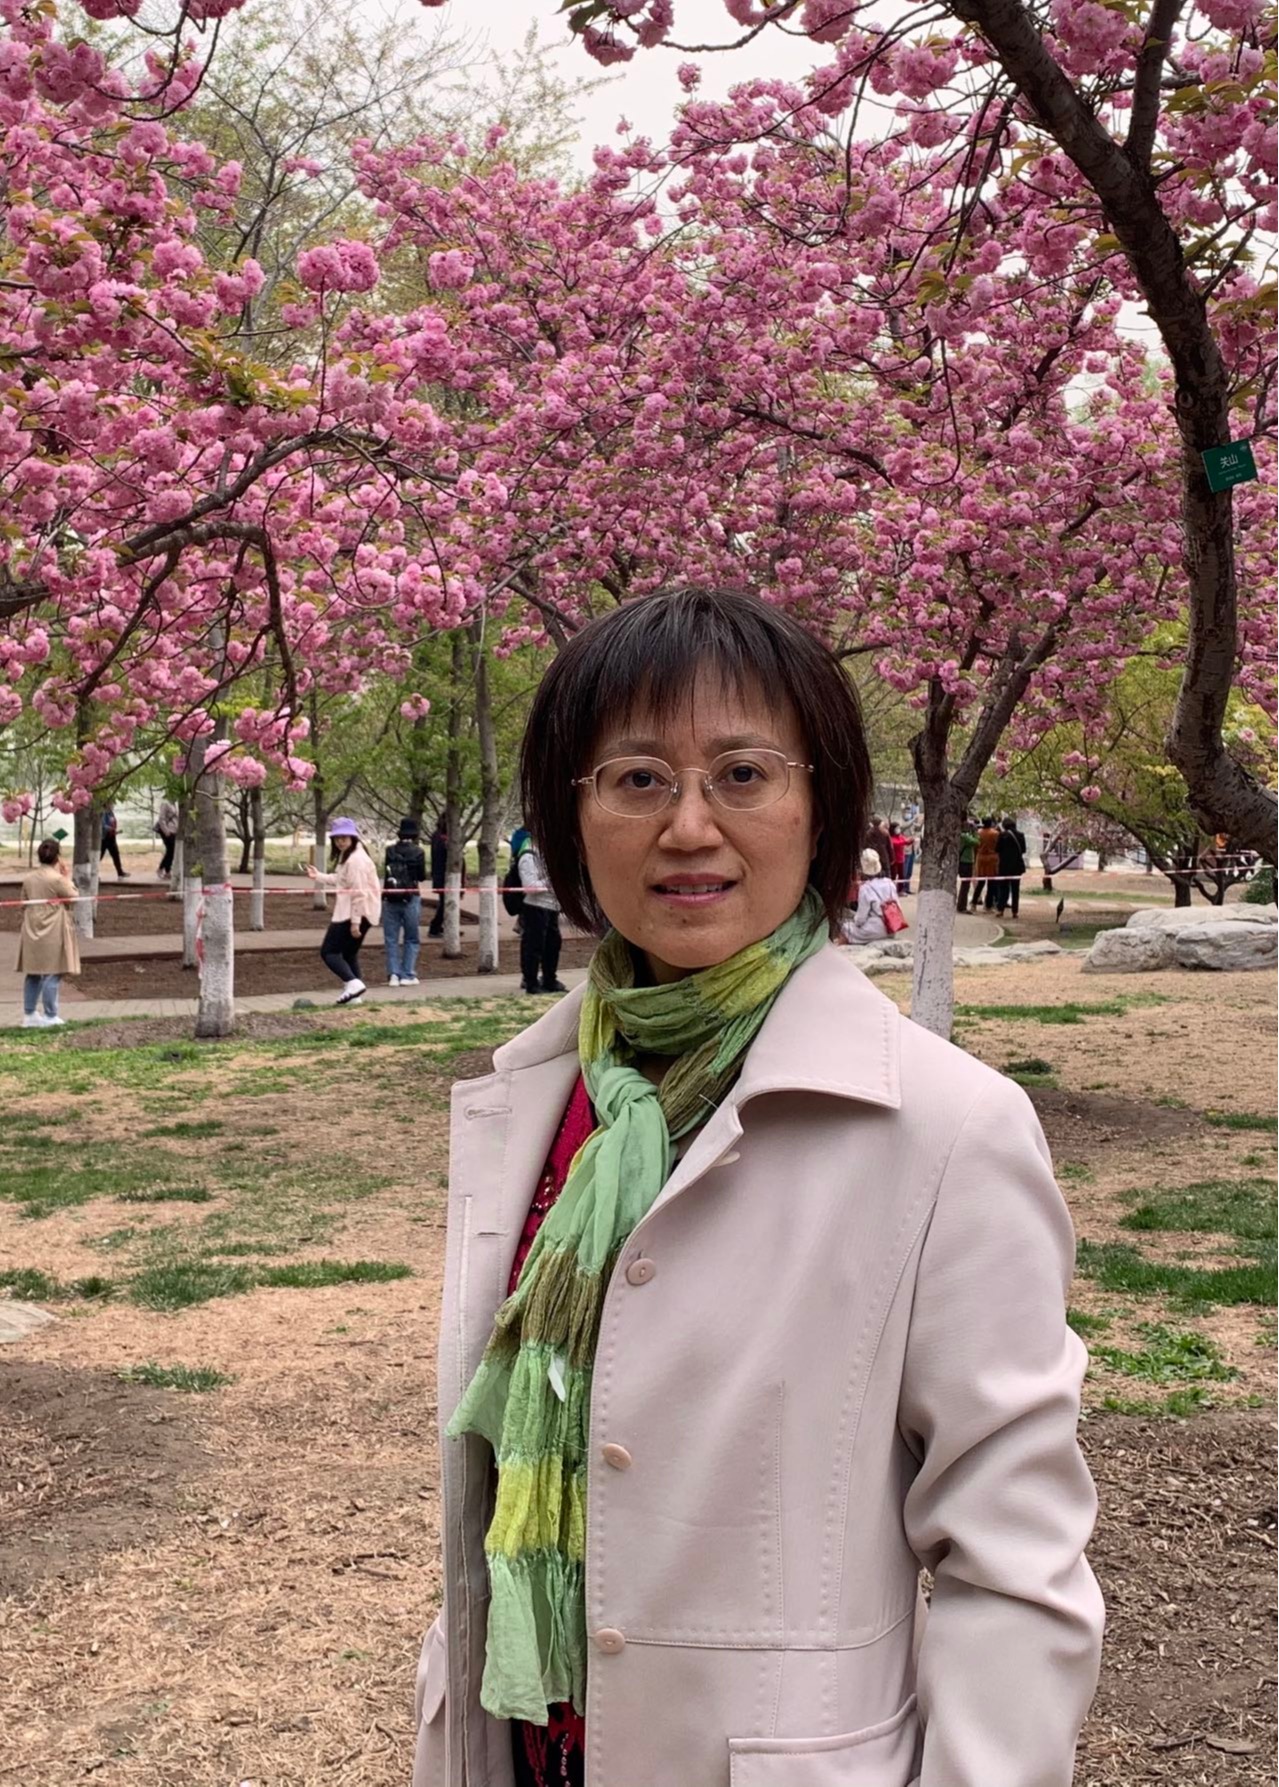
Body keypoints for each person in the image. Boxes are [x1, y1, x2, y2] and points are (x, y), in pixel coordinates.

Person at [412, 585, 1102, 1787]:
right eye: (636, 778)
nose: (688, 826)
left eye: (741, 774)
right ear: (570, 816)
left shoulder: (947, 1129)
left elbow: (1014, 1566)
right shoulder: (539, 1098)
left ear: (818, 806)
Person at [305, 817, 382, 1005]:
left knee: (329, 952)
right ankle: (355, 997)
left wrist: (355, 922)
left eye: (344, 837)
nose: (340, 841)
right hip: (361, 912)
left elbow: (359, 893)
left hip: (354, 913)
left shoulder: (356, 860)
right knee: (348, 954)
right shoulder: (350, 856)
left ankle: (353, 984)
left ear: (353, 837)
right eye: (337, 838)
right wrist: (318, 876)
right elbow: (342, 880)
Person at [16, 838, 80, 1027]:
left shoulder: (29, 878)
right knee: (53, 972)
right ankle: (50, 1015)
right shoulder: (57, 879)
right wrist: (66, 876)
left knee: (33, 972)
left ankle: (29, 1014)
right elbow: (73, 897)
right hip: (54, 928)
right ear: (57, 857)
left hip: (31, 928)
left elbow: (23, 902)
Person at [517, 837, 567, 995]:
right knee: (534, 946)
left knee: (553, 945)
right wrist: (552, 881)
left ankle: (549, 979)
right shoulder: (529, 856)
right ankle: (531, 982)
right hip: (535, 907)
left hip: (552, 906)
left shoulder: (549, 854)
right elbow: (529, 886)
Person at [384, 817, 426, 986]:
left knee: (391, 938)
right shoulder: (418, 852)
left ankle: (393, 974)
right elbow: (421, 877)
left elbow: (387, 874)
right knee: (411, 937)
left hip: (390, 896)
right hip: (411, 896)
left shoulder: (390, 851)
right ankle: (407, 974)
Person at [841, 847, 900, 945]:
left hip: (875, 929)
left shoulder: (865, 888)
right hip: (892, 927)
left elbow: (860, 919)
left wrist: (855, 921)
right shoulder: (890, 883)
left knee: (846, 928)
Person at [996, 816, 1028, 917]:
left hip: (1004, 865)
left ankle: (1000, 909)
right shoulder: (1021, 835)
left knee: (1003, 888)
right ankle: (1015, 912)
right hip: (1016, 866)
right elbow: (1023, 850)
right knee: (1015, 889)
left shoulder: (1002, 835)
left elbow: (997, 849)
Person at [972, 814, 1001, 910]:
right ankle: (988, 905)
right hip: (992, 858)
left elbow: (975, 846)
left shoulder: (978, 833)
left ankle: (974, 903)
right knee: (991, 882)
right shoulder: (995, 833)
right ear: (991, 823)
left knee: (980, 882)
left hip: (981, 858)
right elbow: (998, 846)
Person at [428, 820, 448, 939]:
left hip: (441, 874)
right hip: (443, 875)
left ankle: (441, 925)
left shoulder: (438, 836)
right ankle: (435, 927)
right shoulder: (441, 838)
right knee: (445, 903)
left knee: (445, 902)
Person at [99, 805, 129, 879]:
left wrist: (115, 831)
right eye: (111, 804)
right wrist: (112, 829)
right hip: (104, 838)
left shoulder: (111, 813)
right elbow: (103, 825)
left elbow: (112, 823)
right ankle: (93, 874)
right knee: (99, 856)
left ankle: (120, 873)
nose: (113, 805)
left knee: (116, 855)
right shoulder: (103, 813)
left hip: (112, 837)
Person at [957, 813, 977, 912]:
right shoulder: (964, 835)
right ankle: (961, 906)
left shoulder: (955, 830)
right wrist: (974, 832)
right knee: (965, 884)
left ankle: (960, 904)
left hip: (959, 859)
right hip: (966, 860)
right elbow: (976, 842)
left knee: (964, 884)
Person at [155, 797, 179, 878]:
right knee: (171, 851)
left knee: (172, 851)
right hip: (168, 831)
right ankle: (162, 869)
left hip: (175, 830)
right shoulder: (165, 803)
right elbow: (161, 819)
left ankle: (166, 870)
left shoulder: (175, 804)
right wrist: (166, 831)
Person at [865, 812, 893, 876]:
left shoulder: (869, 833)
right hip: (881, 858)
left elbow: (890, 846)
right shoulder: (884, 832)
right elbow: (890, 846)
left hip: (875, 859)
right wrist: (892, 857)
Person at [890, 822, 910, 895]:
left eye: (899, 828)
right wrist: (905, 842)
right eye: (897, 828)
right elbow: (896, 843)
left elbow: (905, 841)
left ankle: (900, 890)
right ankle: (891, 890)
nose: (899, 829)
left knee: (902, 876)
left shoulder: (900, 836)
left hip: (901, 859)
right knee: (893, 876)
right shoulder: (891, 838)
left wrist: (911, 841)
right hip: (894, 860)